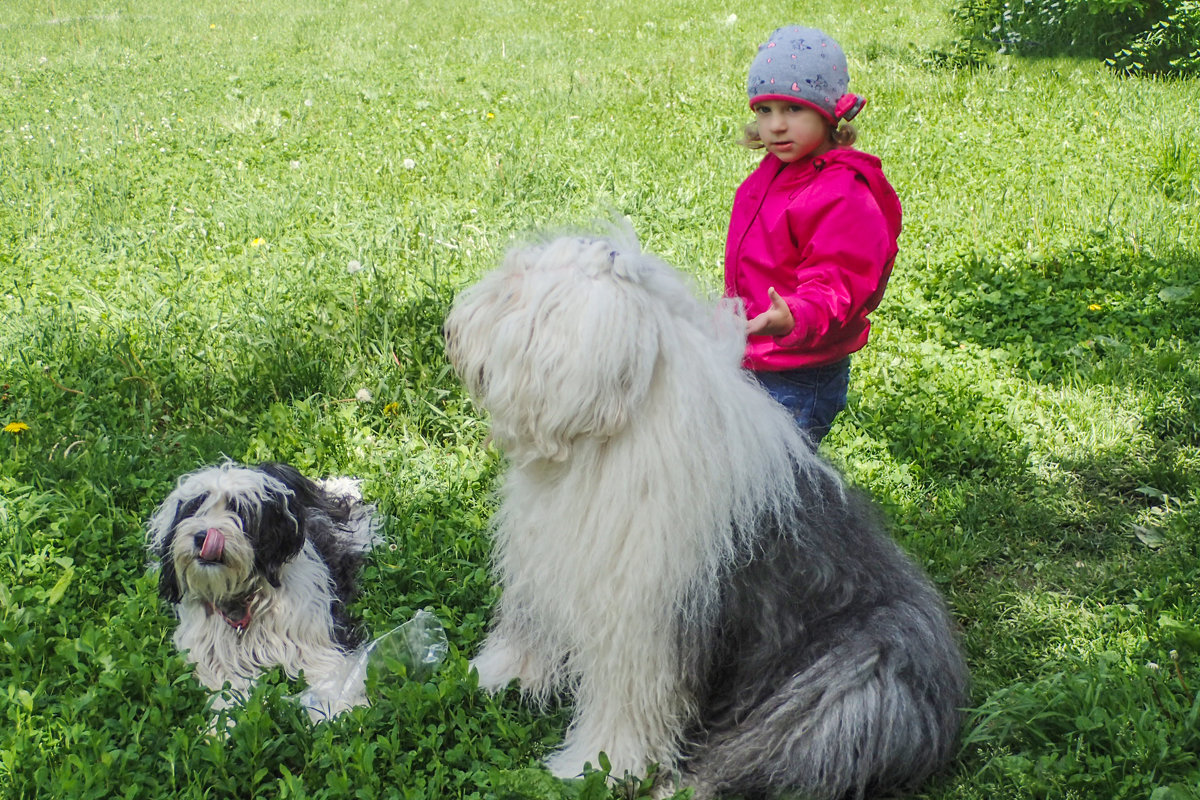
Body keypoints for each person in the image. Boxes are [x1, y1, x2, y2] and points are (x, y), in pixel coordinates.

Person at [725, 25, 902, 445]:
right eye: (764, 110)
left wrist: (796, 315)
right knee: (740, 469)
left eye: (792, 109)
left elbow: (840, 282)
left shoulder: (841, 194)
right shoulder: (774, 173)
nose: (776, 126)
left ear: (827, 112)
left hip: (800, 372)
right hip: (758, 355)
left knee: (780, 480)